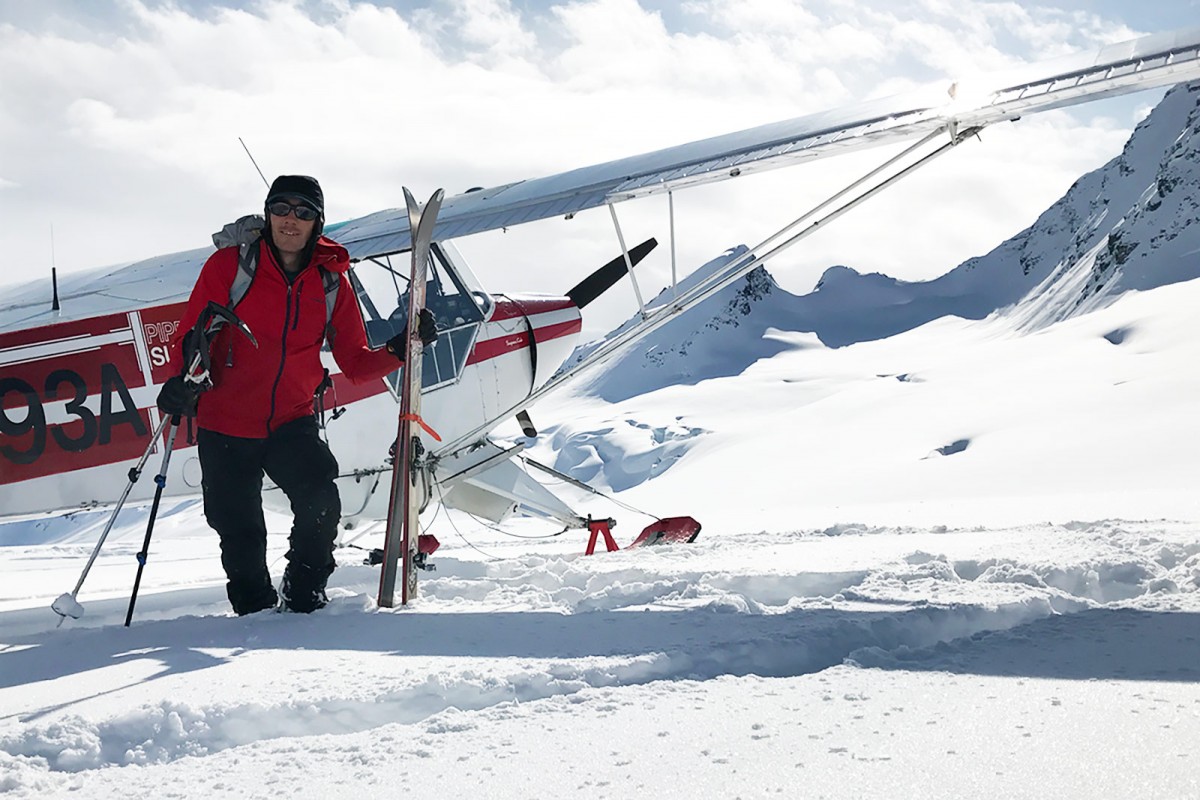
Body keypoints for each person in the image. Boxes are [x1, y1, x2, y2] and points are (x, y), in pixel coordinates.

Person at [157, 175, 437, 615]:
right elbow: (192, 334)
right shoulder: (230, 267)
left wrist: (399, 349)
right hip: (225, 420)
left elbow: (357, 363)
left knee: (321, 504)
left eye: (303, 212)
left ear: (317, 223)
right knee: (239, 530)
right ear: (268, 214)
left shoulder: (330, 284)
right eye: (282, 209)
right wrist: (179, 383)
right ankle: (254, 613)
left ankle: (305, 595)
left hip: (291, 419)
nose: (291, 220)